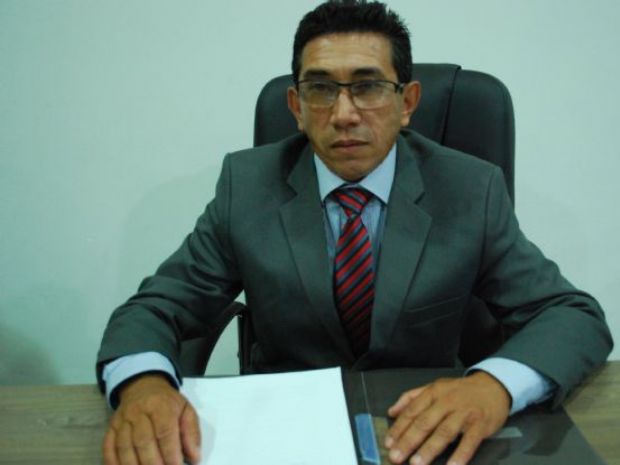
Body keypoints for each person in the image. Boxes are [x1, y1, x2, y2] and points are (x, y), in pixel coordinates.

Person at [96, 1, 613, 465]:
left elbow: (572, 315)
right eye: (320, 89)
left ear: (407, 102)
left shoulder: (469, 190)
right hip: (280, 434)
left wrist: (492, 386)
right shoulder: (247, 187)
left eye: (368, 87)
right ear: (297, 108)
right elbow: (154, 309)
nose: (344, 115)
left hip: (424, 428)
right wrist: (144, 386)